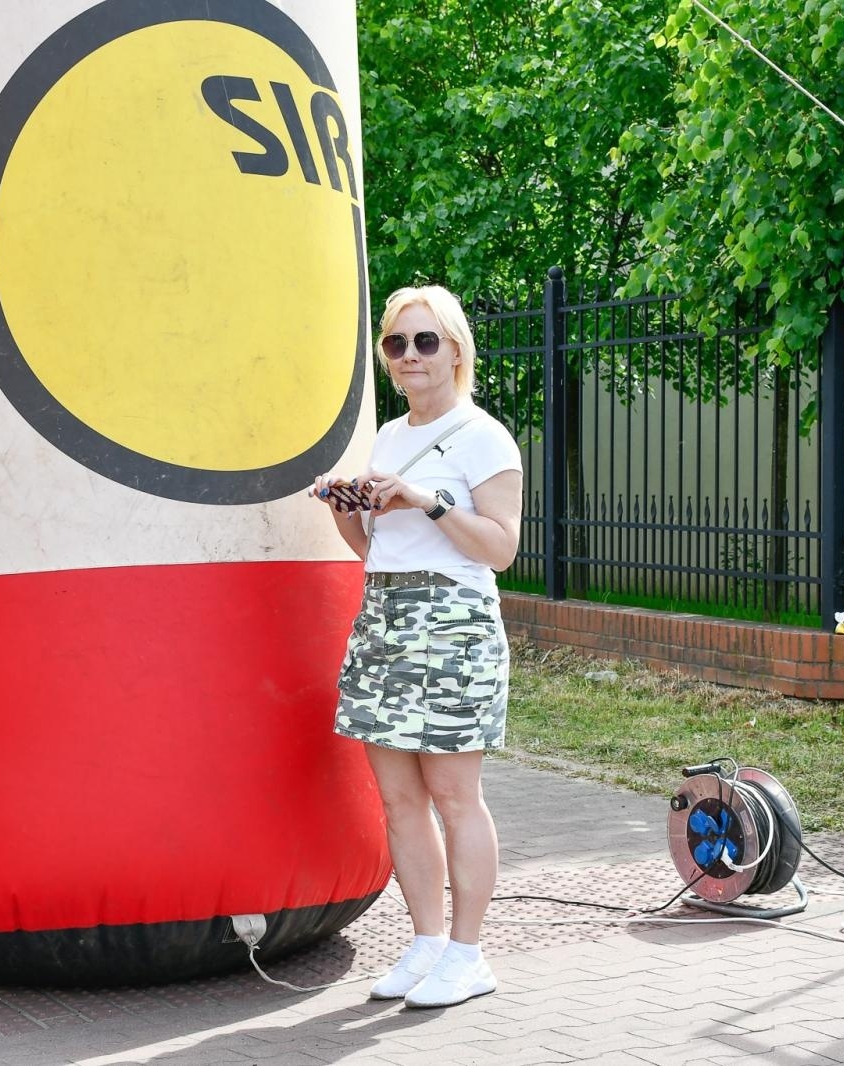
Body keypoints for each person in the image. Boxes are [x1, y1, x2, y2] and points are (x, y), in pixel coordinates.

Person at [310, 284, 523, 1009]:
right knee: (399, 800)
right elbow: (368, 548)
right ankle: (427, 942)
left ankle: (468, 953)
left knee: (455, 797)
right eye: (396, 344)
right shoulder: (391, 438)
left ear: (456, 350)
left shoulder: (483, 435)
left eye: (425, 341)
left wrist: (428, 501)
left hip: (453, 623)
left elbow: (501, 550)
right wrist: (351, 507)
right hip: (384, 616)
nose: (410, 357)